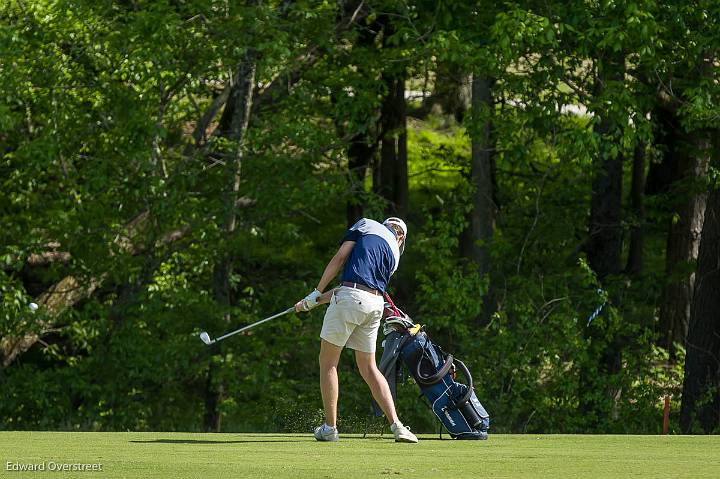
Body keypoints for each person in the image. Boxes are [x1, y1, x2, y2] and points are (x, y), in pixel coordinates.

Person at [295, 217, 418, 443]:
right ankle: (398, 427)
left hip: (351, 298)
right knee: (369, 368)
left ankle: (330, 428)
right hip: (374, 307)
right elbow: (357, 290)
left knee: (328, 362)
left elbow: (341, 259)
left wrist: (315, 292)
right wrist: (313, 301)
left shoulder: (366, 224)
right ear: (401, 237)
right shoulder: (394, 255)